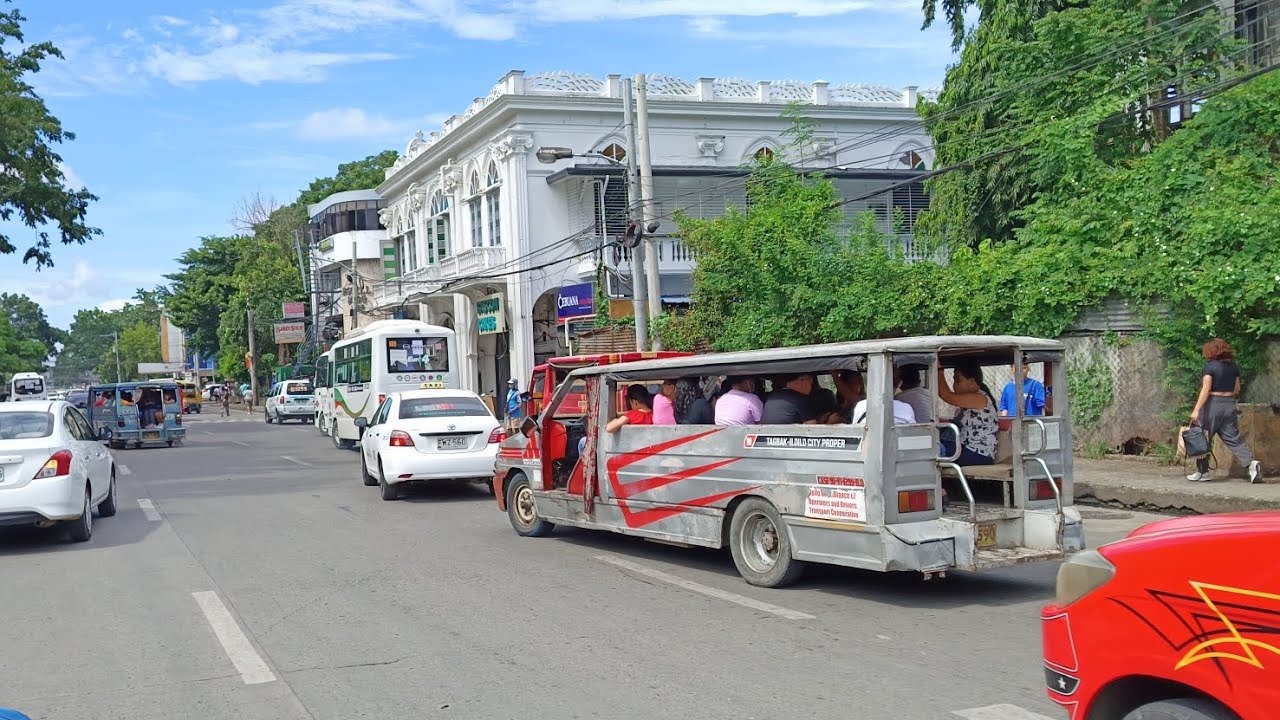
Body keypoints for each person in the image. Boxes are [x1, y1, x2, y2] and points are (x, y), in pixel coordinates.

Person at [1188, 338, 1263, 483]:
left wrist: (1196, 409)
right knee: (1232, 438)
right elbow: (1237, 389)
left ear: (1210, 351)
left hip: (1213, 404)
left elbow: (1206, 389)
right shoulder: (1233, 367)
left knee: (1202, 437)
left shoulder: (1210, 367)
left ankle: (1203, 472)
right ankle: (1251, 464)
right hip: (1229, 404)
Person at [936, 361, 999, 466]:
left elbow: (945, 395)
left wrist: (938, 370)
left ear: (971, 382)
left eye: (958, 380)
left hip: (976, 453)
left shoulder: (980, 399)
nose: (954, 385)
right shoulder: (965, 404)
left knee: (933, 451)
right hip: (963, 449)